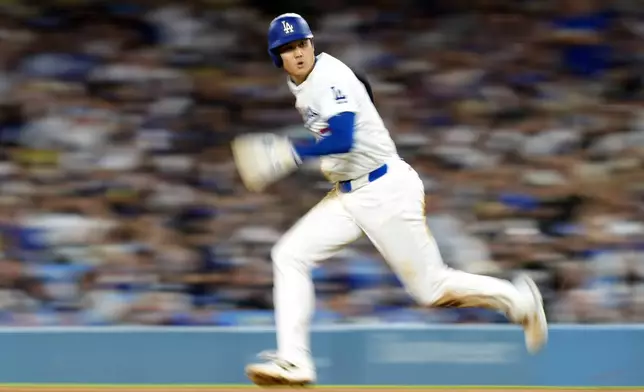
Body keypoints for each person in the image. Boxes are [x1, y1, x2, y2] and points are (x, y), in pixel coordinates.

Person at [232, 13, 548, 387]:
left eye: (301, 44)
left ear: (311, 44)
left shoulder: (329, 76)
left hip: (384, 189)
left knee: (431, 290)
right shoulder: (303, 82)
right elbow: (358, 98)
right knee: (288, 255)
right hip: (349, 193)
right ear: (277, 58)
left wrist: (293, 153)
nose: (297, 53)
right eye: (287, 48)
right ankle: (295, 360)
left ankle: (518, 299)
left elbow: (345, 137)